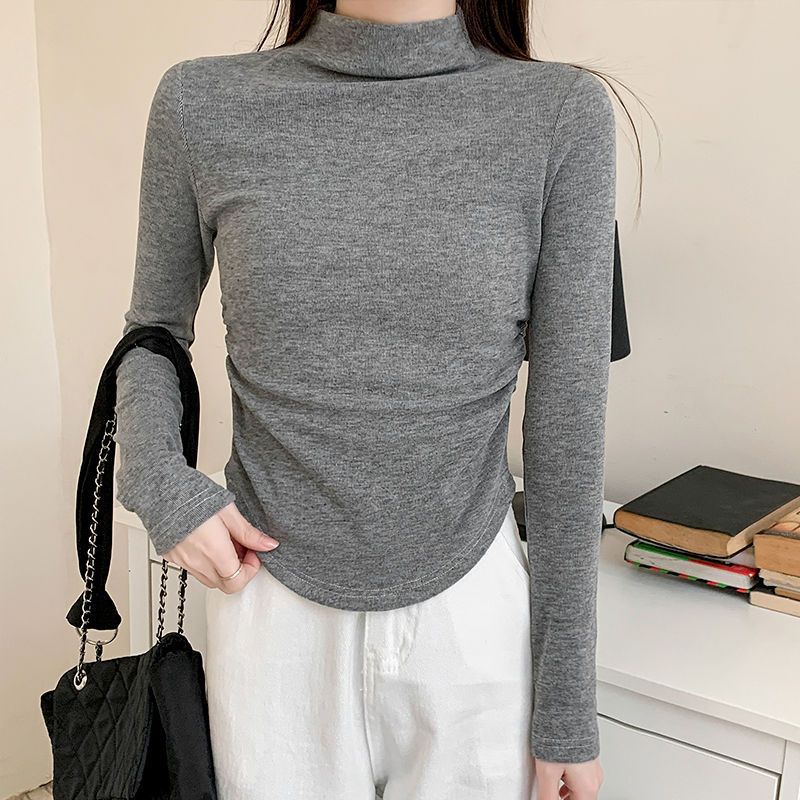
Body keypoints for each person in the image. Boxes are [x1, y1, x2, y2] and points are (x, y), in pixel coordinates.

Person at [113, 2, 638, 798]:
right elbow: (153, 330)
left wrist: (567, 708)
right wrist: (159, 483)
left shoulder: (559, 112)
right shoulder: (202, 103)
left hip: (471, 618)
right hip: (269, 611)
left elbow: (568, 419)